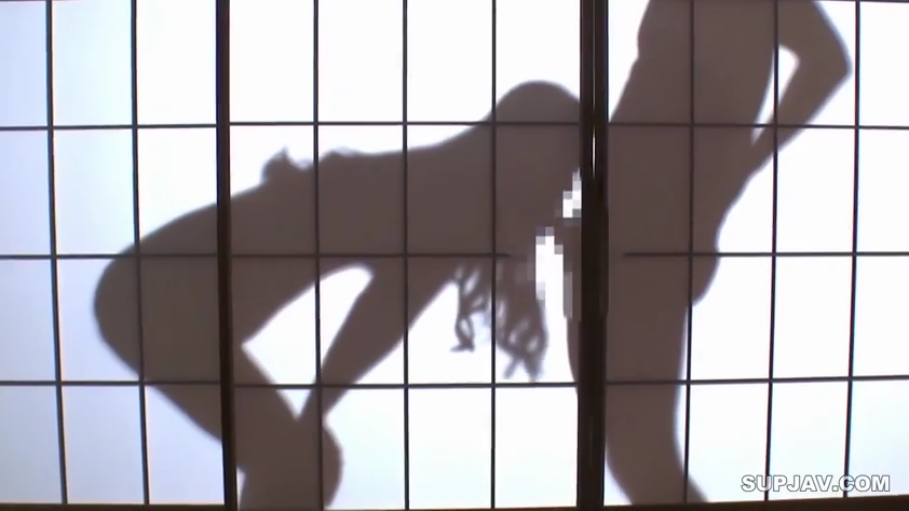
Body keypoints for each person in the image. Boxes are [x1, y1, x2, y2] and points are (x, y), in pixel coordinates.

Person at [94, 81, 580, 509]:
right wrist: (313, 415)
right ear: (526, 146)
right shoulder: (448, 202)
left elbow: (379, 317)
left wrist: (311, 419)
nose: (562, 187)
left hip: (156, 296)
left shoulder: (438, 185)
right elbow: (377, 322)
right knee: (301, 462)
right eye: (564, 165)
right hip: (159, 298)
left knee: (298, 460)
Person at [561, 0, 850, 504]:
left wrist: (747, 163)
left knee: (634, 445)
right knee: (619, 434)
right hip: (618, 188)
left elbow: (828, 60)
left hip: (660, 196)